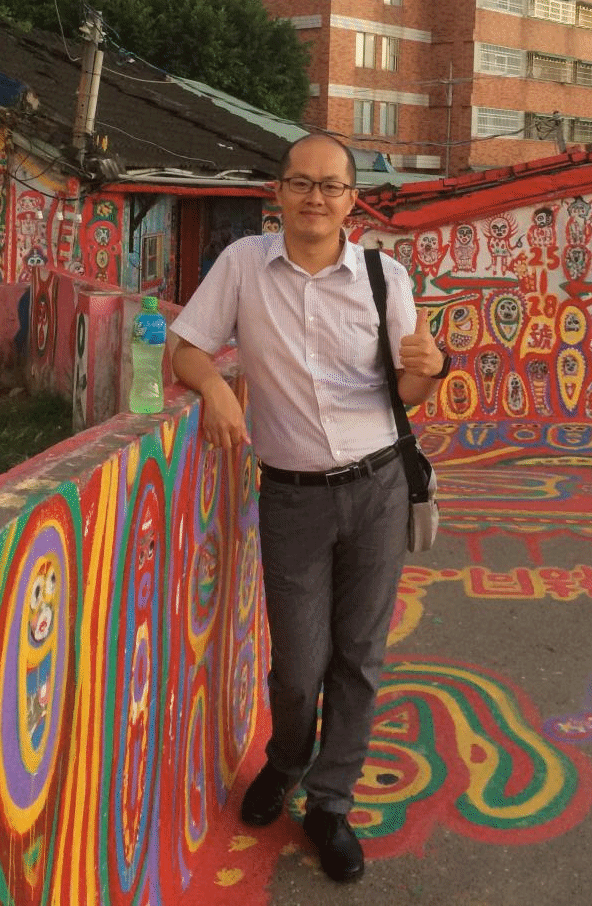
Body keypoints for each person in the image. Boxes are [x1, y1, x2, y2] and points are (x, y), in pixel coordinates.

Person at [171, 132, 446, 883]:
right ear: (279, 192)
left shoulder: (384, 277)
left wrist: (433, 368)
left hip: (378, 487)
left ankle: (330, 803)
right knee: (298, 664)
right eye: (301, 183)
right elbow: (186, 347)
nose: (315, 197)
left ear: (353, 200)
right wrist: (216, 386)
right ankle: (287, 758)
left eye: (331, 186)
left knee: (358, 655)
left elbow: (409, 391)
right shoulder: (242, 266)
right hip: (291, 495)